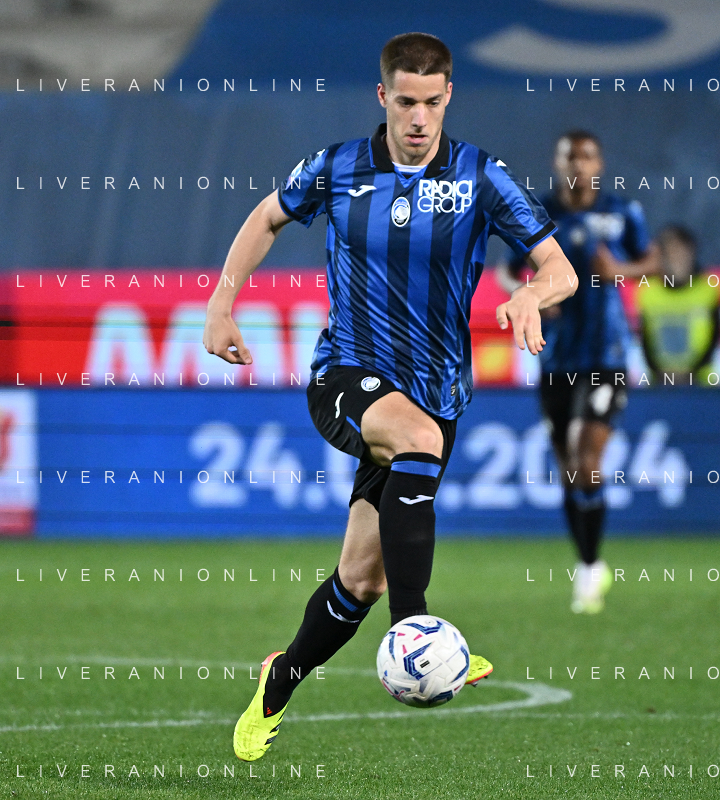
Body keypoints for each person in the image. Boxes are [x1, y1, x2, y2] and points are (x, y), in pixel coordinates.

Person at [203, 32, 577, 762]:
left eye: (431, 102)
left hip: (436, 391)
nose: (418, 117)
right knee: (416, 441)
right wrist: (221, 303)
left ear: (449, 97)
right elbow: (267, 216)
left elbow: (559, 267)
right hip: (345, 375)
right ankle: (419, 631)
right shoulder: (339, 166)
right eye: (405, 101)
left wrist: (533, 294)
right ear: (383, 96)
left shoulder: (480, 176)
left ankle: (279, 680)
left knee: (359, 580)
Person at [496, 130, 657, 615]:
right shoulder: (538, 214)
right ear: (557, 162)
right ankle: (589, 562)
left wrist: (622, 272)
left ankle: (588, 570)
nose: (577, 165)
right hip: (556, 356)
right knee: (568, 467)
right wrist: (531, 295)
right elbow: (507, 269)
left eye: (586, 157)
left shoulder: (621, 212)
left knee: (586, 460)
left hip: (608, 354)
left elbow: (654, 260)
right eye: (569, 157)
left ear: (599, 164)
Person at [634, 224, 720, 386]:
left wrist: (690, 374)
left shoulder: (708, 289)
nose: (679, 261)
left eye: (684, 255)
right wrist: (660, 373)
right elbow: (645, 342)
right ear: (662, 258)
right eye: (673, 255)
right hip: (659, 384)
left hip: (702, 384)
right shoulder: (648, 291)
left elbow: (714, 338)